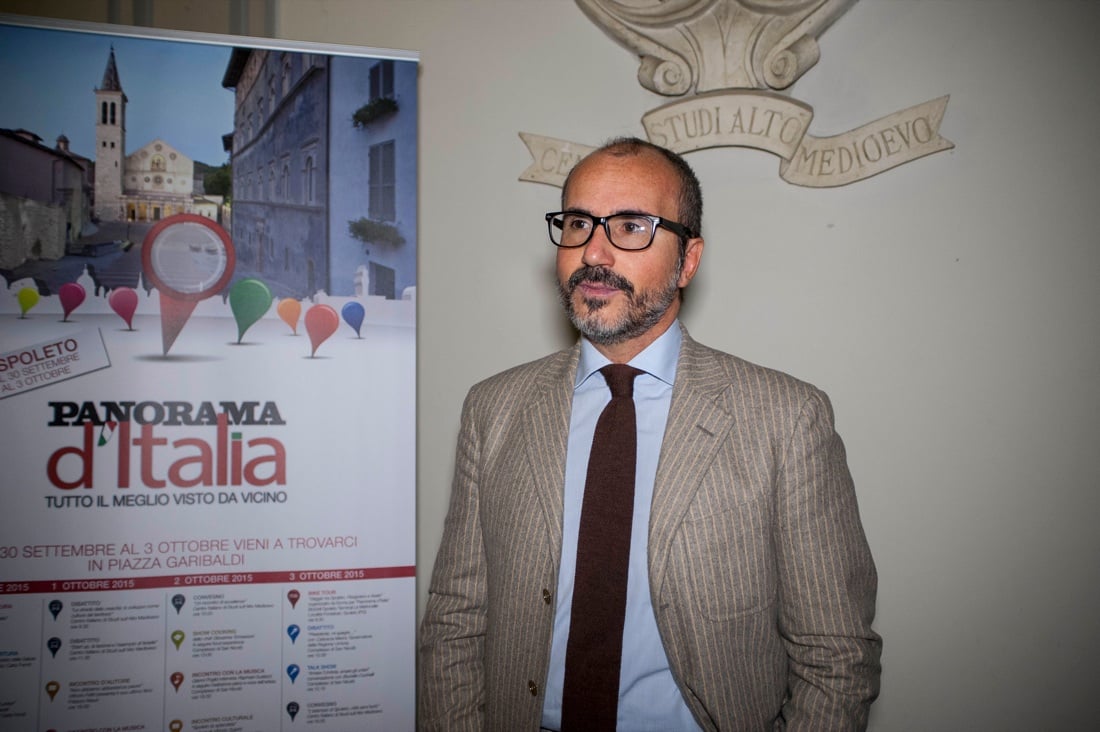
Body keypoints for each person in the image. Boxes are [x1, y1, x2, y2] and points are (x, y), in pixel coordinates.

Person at [419, 137, 881, 731]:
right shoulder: (494, 408)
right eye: (579, 223)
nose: (595, 253)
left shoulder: (787, 419)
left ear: (688, 260)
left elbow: (835, 655)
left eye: (632, 226)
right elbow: (456, 621)